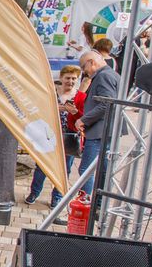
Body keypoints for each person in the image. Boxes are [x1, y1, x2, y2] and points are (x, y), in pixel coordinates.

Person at [25, 65, 81, 220]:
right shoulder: (51, 93)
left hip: (68, 136)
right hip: (48, 134)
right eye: (68, 78)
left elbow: (82, 117)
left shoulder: (80, 96)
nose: (70, 81)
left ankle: (57, 197)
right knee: (42, 165)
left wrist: (75, 113)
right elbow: (41, 109)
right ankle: (34, 192)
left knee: (64, 168)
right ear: (61, 78)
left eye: (74, 78)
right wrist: (58, 108)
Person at [75, 50, 121, 195]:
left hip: (100, 130)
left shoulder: (103, 76)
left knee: (86, 169)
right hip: (106, 129)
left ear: (91, 62)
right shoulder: (110, 74)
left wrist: (83, 119)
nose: (85, 72)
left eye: (84, 67)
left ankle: (87, 202)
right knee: (103, 169)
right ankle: (98, 203)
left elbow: (106, 103)